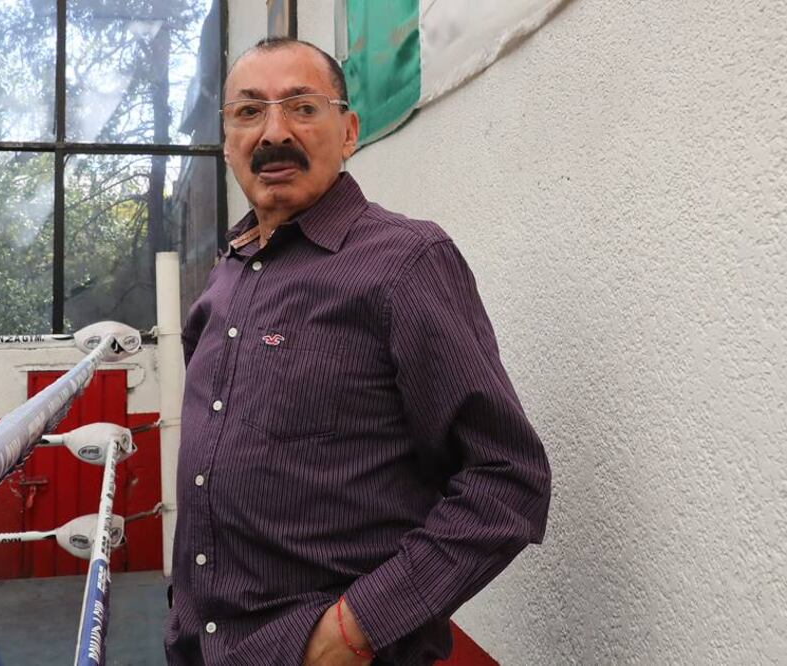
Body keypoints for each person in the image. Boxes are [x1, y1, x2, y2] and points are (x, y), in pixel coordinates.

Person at [166, 37, 551, 665]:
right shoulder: (227, 275)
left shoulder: (405, 263)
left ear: (348, 131)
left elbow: (508, 479)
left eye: (302, 107)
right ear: (227, 139)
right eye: (248, 111)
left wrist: (357, 628)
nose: (273, 133)